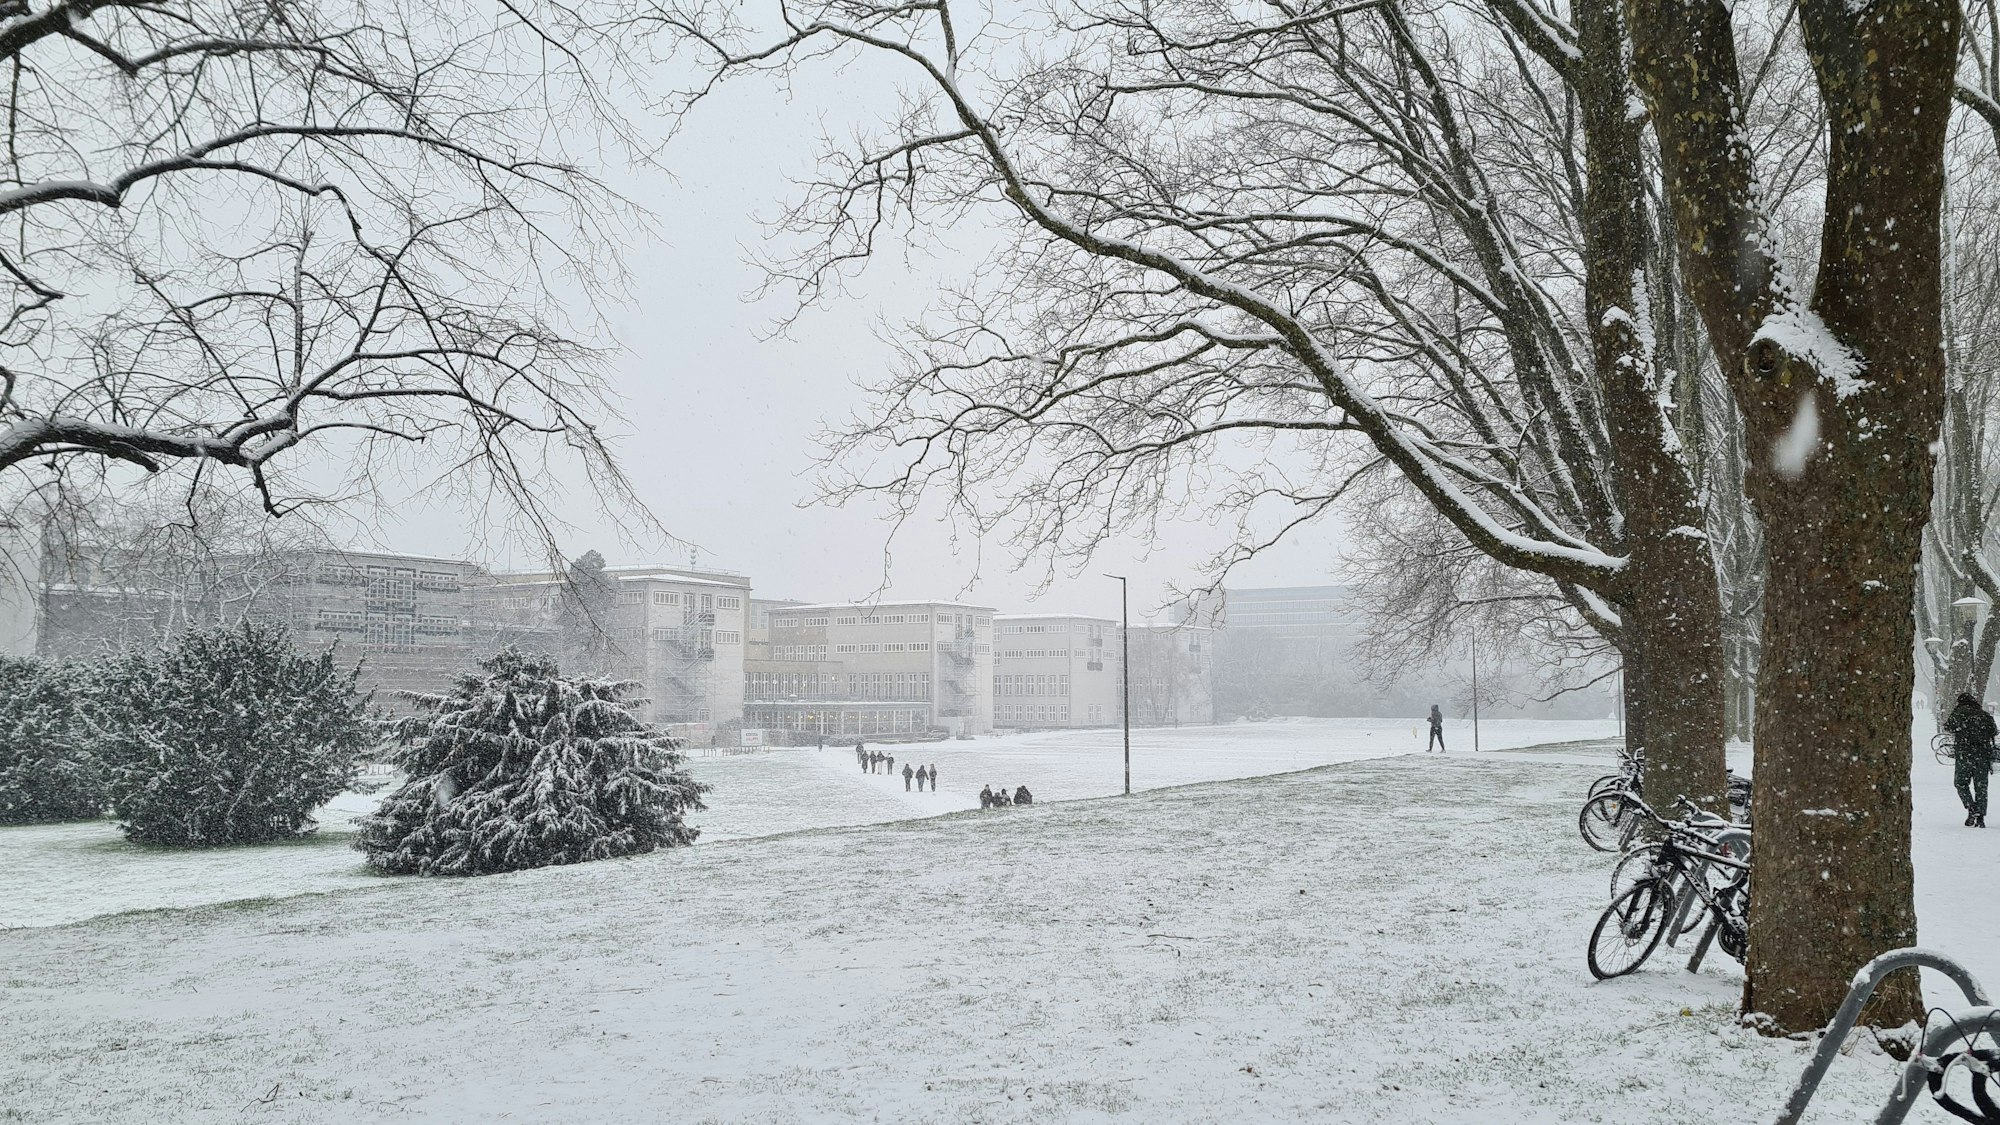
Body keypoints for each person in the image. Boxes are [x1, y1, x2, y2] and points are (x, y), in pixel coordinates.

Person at [1945, 692, 1995, 827]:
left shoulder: (1959, 712)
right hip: (1982, 755)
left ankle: (1971, 807)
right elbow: (1994, 731)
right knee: (1981, 787)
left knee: (1960, 783)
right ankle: (1981, 817)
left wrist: (1962, 730)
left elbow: (1948, 726)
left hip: (1964, 754)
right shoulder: (1983, 714)